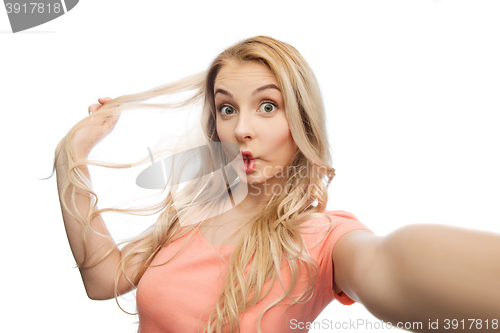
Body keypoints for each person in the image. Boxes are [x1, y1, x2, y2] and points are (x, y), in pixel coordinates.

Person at [51, 36, 500, 333]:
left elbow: (392, 266)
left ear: (301, 121)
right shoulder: (190, 215)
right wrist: (72, 157)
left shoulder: (324, 240)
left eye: (267, 106)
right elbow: (103, 280)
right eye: (227, 109)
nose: (243, 128)